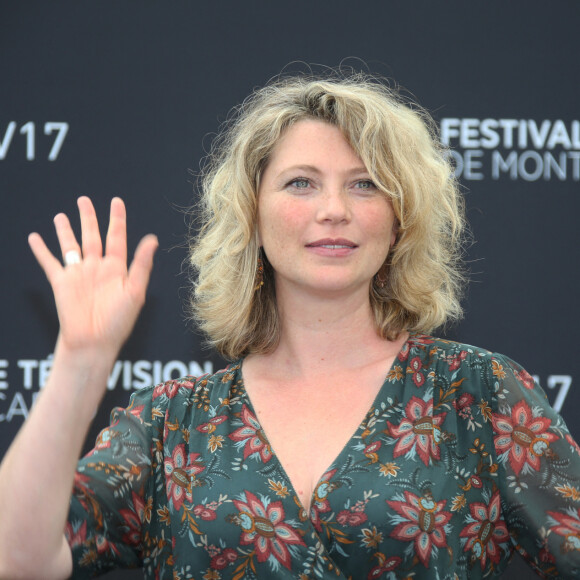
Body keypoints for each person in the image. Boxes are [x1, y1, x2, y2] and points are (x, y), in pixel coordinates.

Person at [0, 71, 579, 580]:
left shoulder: (476, 394)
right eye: (301, 182)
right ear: (251, 215)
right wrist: (81, 360)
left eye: (365, 183)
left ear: (400, 219)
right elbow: (17, 558)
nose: (335, 209)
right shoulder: (170, 422)